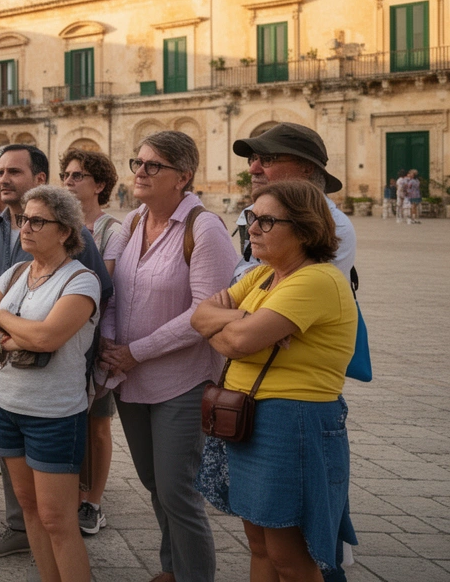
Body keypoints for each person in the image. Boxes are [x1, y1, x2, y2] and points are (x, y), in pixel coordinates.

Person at [192, 181, 358, 582]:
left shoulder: (316, 280)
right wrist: (247, 321)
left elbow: (236, 342)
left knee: (289, 557)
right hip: (249, 415)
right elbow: (199, 316)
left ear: (304, 228)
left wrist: (237, 327)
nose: (251, 228)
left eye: (266, 221)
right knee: (260, 545)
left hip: (292, 423)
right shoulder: (265, 276)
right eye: (252, 218)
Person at [99, 131, 237, 582]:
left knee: (179, 490)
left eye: (152, 165)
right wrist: (111, 343)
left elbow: (208, 309)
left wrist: (136, 351)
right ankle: (172, 567)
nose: (139, 172)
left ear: (183, 176)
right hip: (130, 379)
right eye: (138, 163)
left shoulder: (205, 228)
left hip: (182, 379)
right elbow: (112, 289)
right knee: (155, 483)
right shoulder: (134, 221)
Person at [0, 144, 113, 559]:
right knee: (30, 509)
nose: (26, 228)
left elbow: (48, 338)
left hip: (53, 411)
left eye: (37, 222)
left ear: (66, 231)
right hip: (7, 401)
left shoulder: (78, 279)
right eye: (25, 221)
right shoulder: (16, 270)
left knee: (56, 519)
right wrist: (9, 337)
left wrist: (1, 322)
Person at [58, 148, 120, 535]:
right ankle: (72, 491)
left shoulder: (113, 230)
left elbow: (104, 282)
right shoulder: (59, 222)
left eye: (78, 175)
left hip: (97, 337)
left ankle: (93, 501)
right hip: (64, 339)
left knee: (97, 422)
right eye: (66, 174)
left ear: (99, 185)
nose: (68, 180)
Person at [232, 123, 355, 282]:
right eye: (253, 159)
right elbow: (244, 272)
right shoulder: (251, 213)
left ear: (306, 168)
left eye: (268, 159)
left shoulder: (332, 225)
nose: (253, 169)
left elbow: (291, 291)